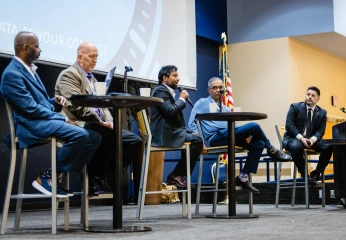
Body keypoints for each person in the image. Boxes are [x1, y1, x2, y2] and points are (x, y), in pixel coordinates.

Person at [0, 31, 101, 196]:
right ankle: (48, 177)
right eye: (37, 46)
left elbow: (41, 103)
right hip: (29, 125)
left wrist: (54, 101)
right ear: (26, 48)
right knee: (80, 134)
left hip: (41, 121)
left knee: (94, 137)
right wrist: (62, 118)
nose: (40, 50)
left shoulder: (30, 69)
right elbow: (30, 109)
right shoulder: (13, 74)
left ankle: (56, 175)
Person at [55, 42, 143, 196]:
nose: (95, 60)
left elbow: (103, 106)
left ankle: (98, 174)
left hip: (97, 124)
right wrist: (99, 121)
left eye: (96, 56)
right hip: (78, 123)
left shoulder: (94, 80)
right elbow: (75, 105)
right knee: (103, 134)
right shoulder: (69, 75)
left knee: (134, 141)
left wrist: (110, 122)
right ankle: (94, 175)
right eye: (91, 56)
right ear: (80, 57)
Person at [189, 77, 292, 192]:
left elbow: (235, 127)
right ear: (209, 90)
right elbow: (192, 123)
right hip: (215, 138)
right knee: (254, 125)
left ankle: (243, 177)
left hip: (230, 136)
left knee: (258, 144)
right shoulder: (202, 102)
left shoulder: (226, 108)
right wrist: (200, 141)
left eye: (220, 88)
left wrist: (245, 135)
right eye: (215, 88)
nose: (218, 90)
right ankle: (272, 149)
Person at [150, 65, 204, 188]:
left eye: (177, 76)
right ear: (165, 78)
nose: (178, 79)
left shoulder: (166, 91)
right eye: (174, 76)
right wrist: (182, 99)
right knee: (197, 141)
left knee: (195, 138)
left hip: (171, 131)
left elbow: (173, 119)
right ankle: (176, 174)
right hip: (163, 134)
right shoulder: (160, 91)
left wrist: (188, 132)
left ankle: (178, 175)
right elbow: (170, 111)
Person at [283, 86, 333, 184]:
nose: (309, 97)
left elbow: (321, 130)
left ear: (318, 99)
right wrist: (301, 138)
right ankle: (305, 175)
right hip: (293, 138)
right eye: (308, 94)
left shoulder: (322, 112)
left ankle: (317, 172)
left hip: (310, 140)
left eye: (313, 95)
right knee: (296, 146)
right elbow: (289, 125)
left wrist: (313, 140)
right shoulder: (295, 107)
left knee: (329, 146)